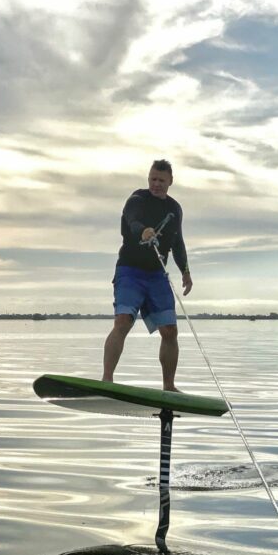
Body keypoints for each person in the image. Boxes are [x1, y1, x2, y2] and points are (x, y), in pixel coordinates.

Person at [102, 159, 192, 391]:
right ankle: (107, 380)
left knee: (170, 331)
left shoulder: (175, 209)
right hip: (130, 271)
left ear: (170, 181)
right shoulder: (137, 199)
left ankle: (169, 386)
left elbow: (177, 243)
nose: (156, 184)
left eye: (161, 180)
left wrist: (185, 271)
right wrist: (142, 230)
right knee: (123, 321)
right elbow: (132, 220)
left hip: (156, 275)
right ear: (148, 178)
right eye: (153, 179)